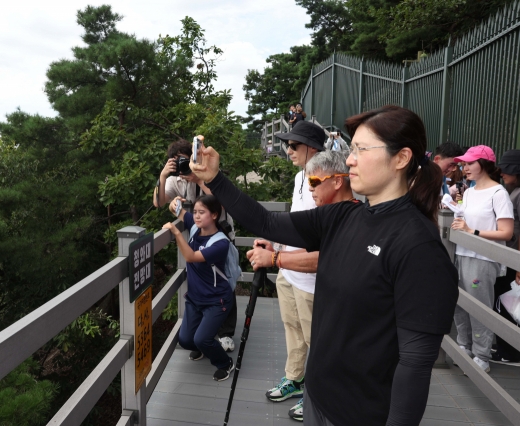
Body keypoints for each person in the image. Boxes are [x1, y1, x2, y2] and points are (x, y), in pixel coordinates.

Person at [191, 105, 458, 426]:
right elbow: (265, 221)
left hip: (360, 414)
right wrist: (215, 179)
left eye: (361, 150)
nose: (349, 159)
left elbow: (415, 363)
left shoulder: (420, 247)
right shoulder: (345, 215)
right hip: (319, 398)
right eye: (351, 149)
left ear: (401, 158)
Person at [246, 150, 354, 422]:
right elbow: (281, 227)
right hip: (290, 275)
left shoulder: (347, 215)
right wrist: (278, 252)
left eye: (315, 182)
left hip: (314, 285)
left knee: (317, 342)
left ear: (338, 181)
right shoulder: (317, 203)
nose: (309, 187)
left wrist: (274, 258)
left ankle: (317, 396)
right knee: (293, 328)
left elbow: (323, 258)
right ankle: (296, 379)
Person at [153, 139, 237, 352]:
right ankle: (204, 335)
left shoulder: (206, 173)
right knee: (202, 281)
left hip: (220, 234)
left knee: (225, 280)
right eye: (177, 162)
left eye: (185, 160)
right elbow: (158, 202)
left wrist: (199, 180)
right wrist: (163, 176)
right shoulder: (175, 181)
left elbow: (222, 203)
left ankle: (226, 333)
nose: (183, 166)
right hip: (197, 235)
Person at [451, 145, 514, 373]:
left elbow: (506, 232)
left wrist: (472, 232)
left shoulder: (499, 194)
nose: (464, 167)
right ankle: (463, 347)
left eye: (470, 163)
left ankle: (481, 357)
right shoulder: (468, 191)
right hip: (459, 254)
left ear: (484, 164)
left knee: (479, 308)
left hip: (483, 258)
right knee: (458, 305)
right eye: (464, 163)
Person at [162, 194, 235, 381]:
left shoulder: (220, 243)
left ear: (214, 215)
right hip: (195, 299)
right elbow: (176, 210)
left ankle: (225, 363)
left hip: (216, 300)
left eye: (202, 212)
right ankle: (202, 349)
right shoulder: (195, 227)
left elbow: (191, 257)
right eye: (195, 212)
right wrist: (174, 203)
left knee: (202, 339)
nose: (196, 216)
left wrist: (177, 233)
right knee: (186, 340)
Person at [491, 149, 520, 364]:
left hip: (514, 258)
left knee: (508, 302)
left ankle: (510, 351)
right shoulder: (513, 191)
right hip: (510, 255)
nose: (502, 174)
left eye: (507, 169)